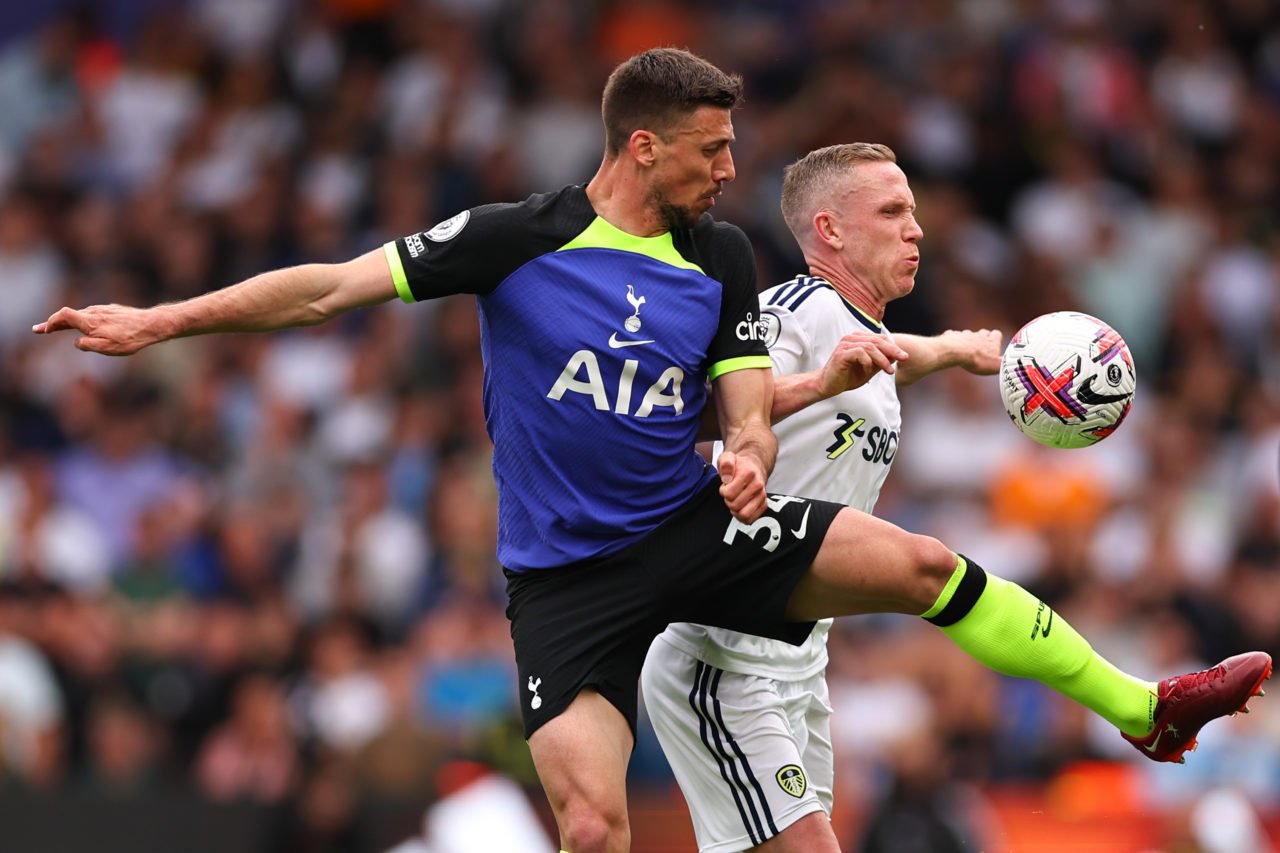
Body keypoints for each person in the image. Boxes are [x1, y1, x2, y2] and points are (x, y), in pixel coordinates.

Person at [32, 48, 1270, 853]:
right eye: (712, 151)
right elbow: (326, 291)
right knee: (589, 829)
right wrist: (163, 318)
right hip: (568, 577)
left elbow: (737, 393)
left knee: (915, 562)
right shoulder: (516, 238)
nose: (731, 170)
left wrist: (742, 451)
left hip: (692, 530)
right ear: (642, 148)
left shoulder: (720, 258)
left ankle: (1138, 706)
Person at [640, 142, 1001, 853]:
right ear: (831, 230)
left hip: (800, 659)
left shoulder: (863, 337)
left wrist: (956, 348)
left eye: (915, 212)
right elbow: (714, 404)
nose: (916, 229)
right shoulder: (792, 310)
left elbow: (891, 355)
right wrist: (820, 386)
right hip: (724, 649)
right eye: (894, 211)